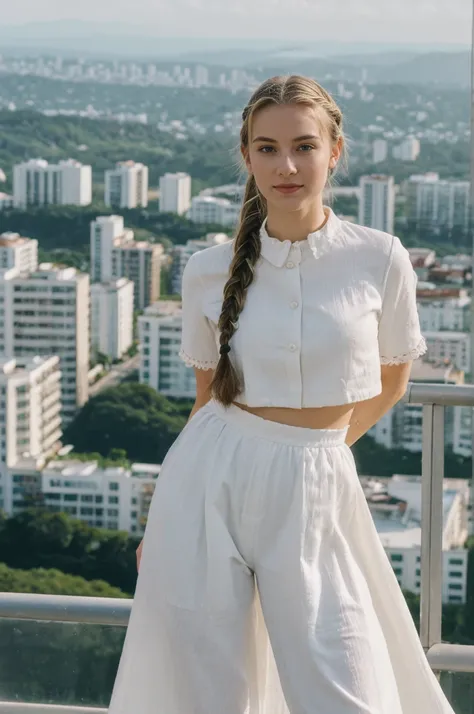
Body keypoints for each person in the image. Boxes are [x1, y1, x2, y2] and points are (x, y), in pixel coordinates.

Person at [108, 75, 455, 714]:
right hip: (206, 484)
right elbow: (206, 400)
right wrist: (161, 516)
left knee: (346, 688)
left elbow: (393, 381)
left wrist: (311, 455)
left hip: (319, 479)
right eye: (266, 148)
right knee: (209, 693)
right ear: (246, 157)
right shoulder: (208, 268)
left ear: (335, 151)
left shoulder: (380, 258)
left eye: (304, 145)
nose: (286, 165)